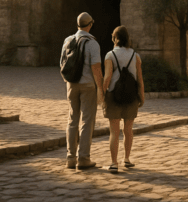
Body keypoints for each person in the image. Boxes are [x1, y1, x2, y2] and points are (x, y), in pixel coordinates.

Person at [62, 12, 103, 170]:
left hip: (71, 84)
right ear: (90, 24)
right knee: (87, 120)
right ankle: (83, 158)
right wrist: (100, 88)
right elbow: (96, 68)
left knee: (72, 119)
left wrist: (68, 81)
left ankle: (70, 158)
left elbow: (62, 63)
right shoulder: (92, 43)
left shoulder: (68, 40)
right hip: (88, 86)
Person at [102, 25, 145, 174]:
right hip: (131, 96)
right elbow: (140, 78)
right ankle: (126, 159)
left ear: (115, 38)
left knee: (114, 131)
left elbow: (107, 77)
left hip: (114, 95)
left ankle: (114, 163)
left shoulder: (110, 55)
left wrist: (102, 94)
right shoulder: (135, 56)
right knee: (128, 130)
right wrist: (142, 96)